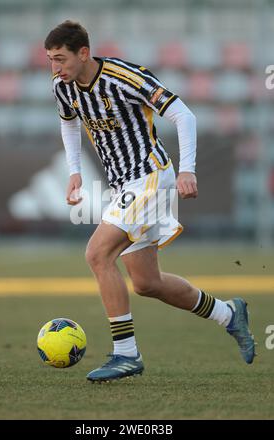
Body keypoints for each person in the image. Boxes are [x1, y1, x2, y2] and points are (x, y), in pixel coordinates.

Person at [44, 21, 256, 382]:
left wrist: (187, 170)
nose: (55, 67)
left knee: (97, 254)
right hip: (123, 184)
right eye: (50, 60)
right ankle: (228, 314)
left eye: (60, 58)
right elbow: (69, 123)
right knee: (146, 283)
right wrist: (74, 171)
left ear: (83, 53)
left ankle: (126, 354)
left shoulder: (124, 77)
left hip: (150, 176)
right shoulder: (63, 88)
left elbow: (182, 114)